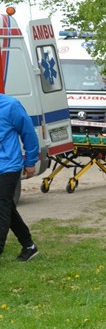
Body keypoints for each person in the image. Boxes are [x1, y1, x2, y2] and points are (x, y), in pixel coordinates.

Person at [0, 94, 39, 262]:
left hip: (8, 166)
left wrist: (30, 161)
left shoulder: (10, 105)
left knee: (1, 206)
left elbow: (29, 133)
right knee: (7, 207)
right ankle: (29, 245)